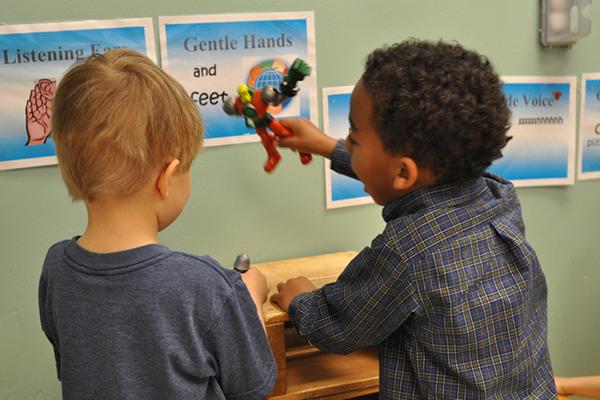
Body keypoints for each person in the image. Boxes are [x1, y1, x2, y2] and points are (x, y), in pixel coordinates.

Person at [271, 39, 556, 399]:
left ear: (403, 171)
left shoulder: (407, 252)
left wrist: (301, 300)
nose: (348, 142)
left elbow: (339, 327)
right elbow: (409, 180)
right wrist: (328, 146)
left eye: (354, 139)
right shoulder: (499, 197)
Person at [38, 48, 276, 400]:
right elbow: (254, 385)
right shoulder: (206, 287)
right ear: (166, 178)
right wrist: (249, 297)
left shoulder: (56, 268)